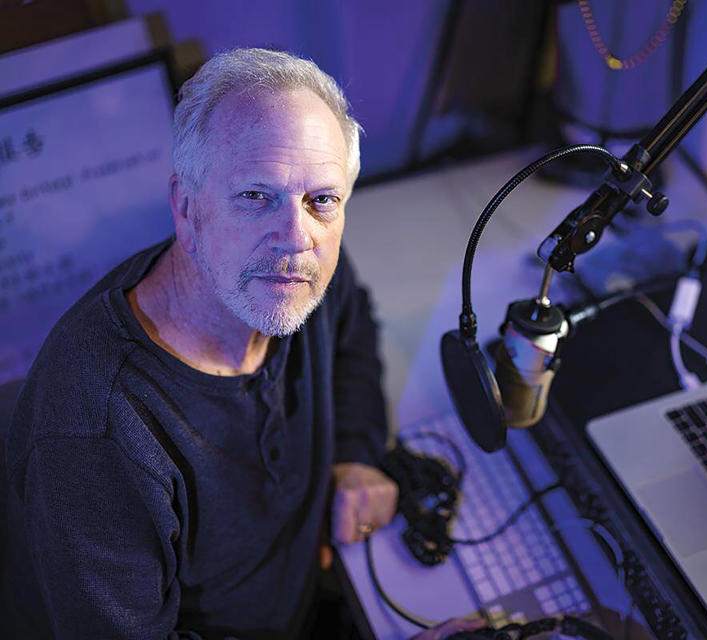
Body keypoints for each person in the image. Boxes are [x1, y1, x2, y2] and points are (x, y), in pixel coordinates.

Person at [2, 48, 481, 639]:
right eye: (256, 196)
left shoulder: (300, 272)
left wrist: (355, 455)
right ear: (185, 206)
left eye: (322, 200)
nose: (295, 236)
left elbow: (353, 333)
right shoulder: (95, 435)